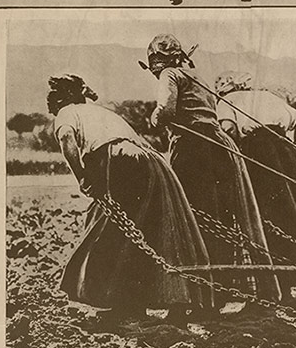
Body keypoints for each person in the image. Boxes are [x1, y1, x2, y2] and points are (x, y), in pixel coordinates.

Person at [47, 73, 212, 325]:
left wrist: (81, 176)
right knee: (156, 231)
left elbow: (66, 138)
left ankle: (124, 304)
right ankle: (171, 304)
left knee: (114, 232)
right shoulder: (101, 113)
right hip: (153, 161)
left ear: (61, 100)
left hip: (119, 159)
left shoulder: (67, 112)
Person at [142, 35, 281, 306]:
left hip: (193, 149)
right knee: (220, 218)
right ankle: (220, 292)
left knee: (191, 219)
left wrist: (154, 118)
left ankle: (200, 298)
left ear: (156, 62)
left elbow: (166, 111)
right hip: (219, 147)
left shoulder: (170, 75)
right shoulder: (197, 76)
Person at [215, 72, 296, 299]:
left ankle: (280, 285)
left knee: (268, 219)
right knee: (294, 217)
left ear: (222, 89)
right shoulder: (270, 98)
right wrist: (290, 150)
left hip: (258, 154)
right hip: (288, 155)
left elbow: (229, 130)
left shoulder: (227, 101)